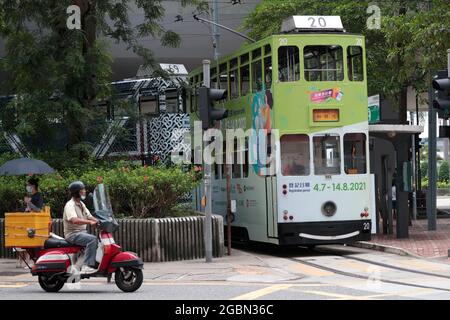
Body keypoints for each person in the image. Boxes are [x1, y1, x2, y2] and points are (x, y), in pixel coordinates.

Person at [63, 181, 99, 274]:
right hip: (72, 234)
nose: (84, 191)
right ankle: (87, 266)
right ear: (76, 192)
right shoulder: (70, 205)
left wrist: (100, 221)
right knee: (92, 240)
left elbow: (89, 216)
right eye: (82, 190)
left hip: (81, 232)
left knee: (97, 241)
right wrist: (90, 222)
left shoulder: (81, 204)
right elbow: (74, 220)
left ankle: (80, 266)